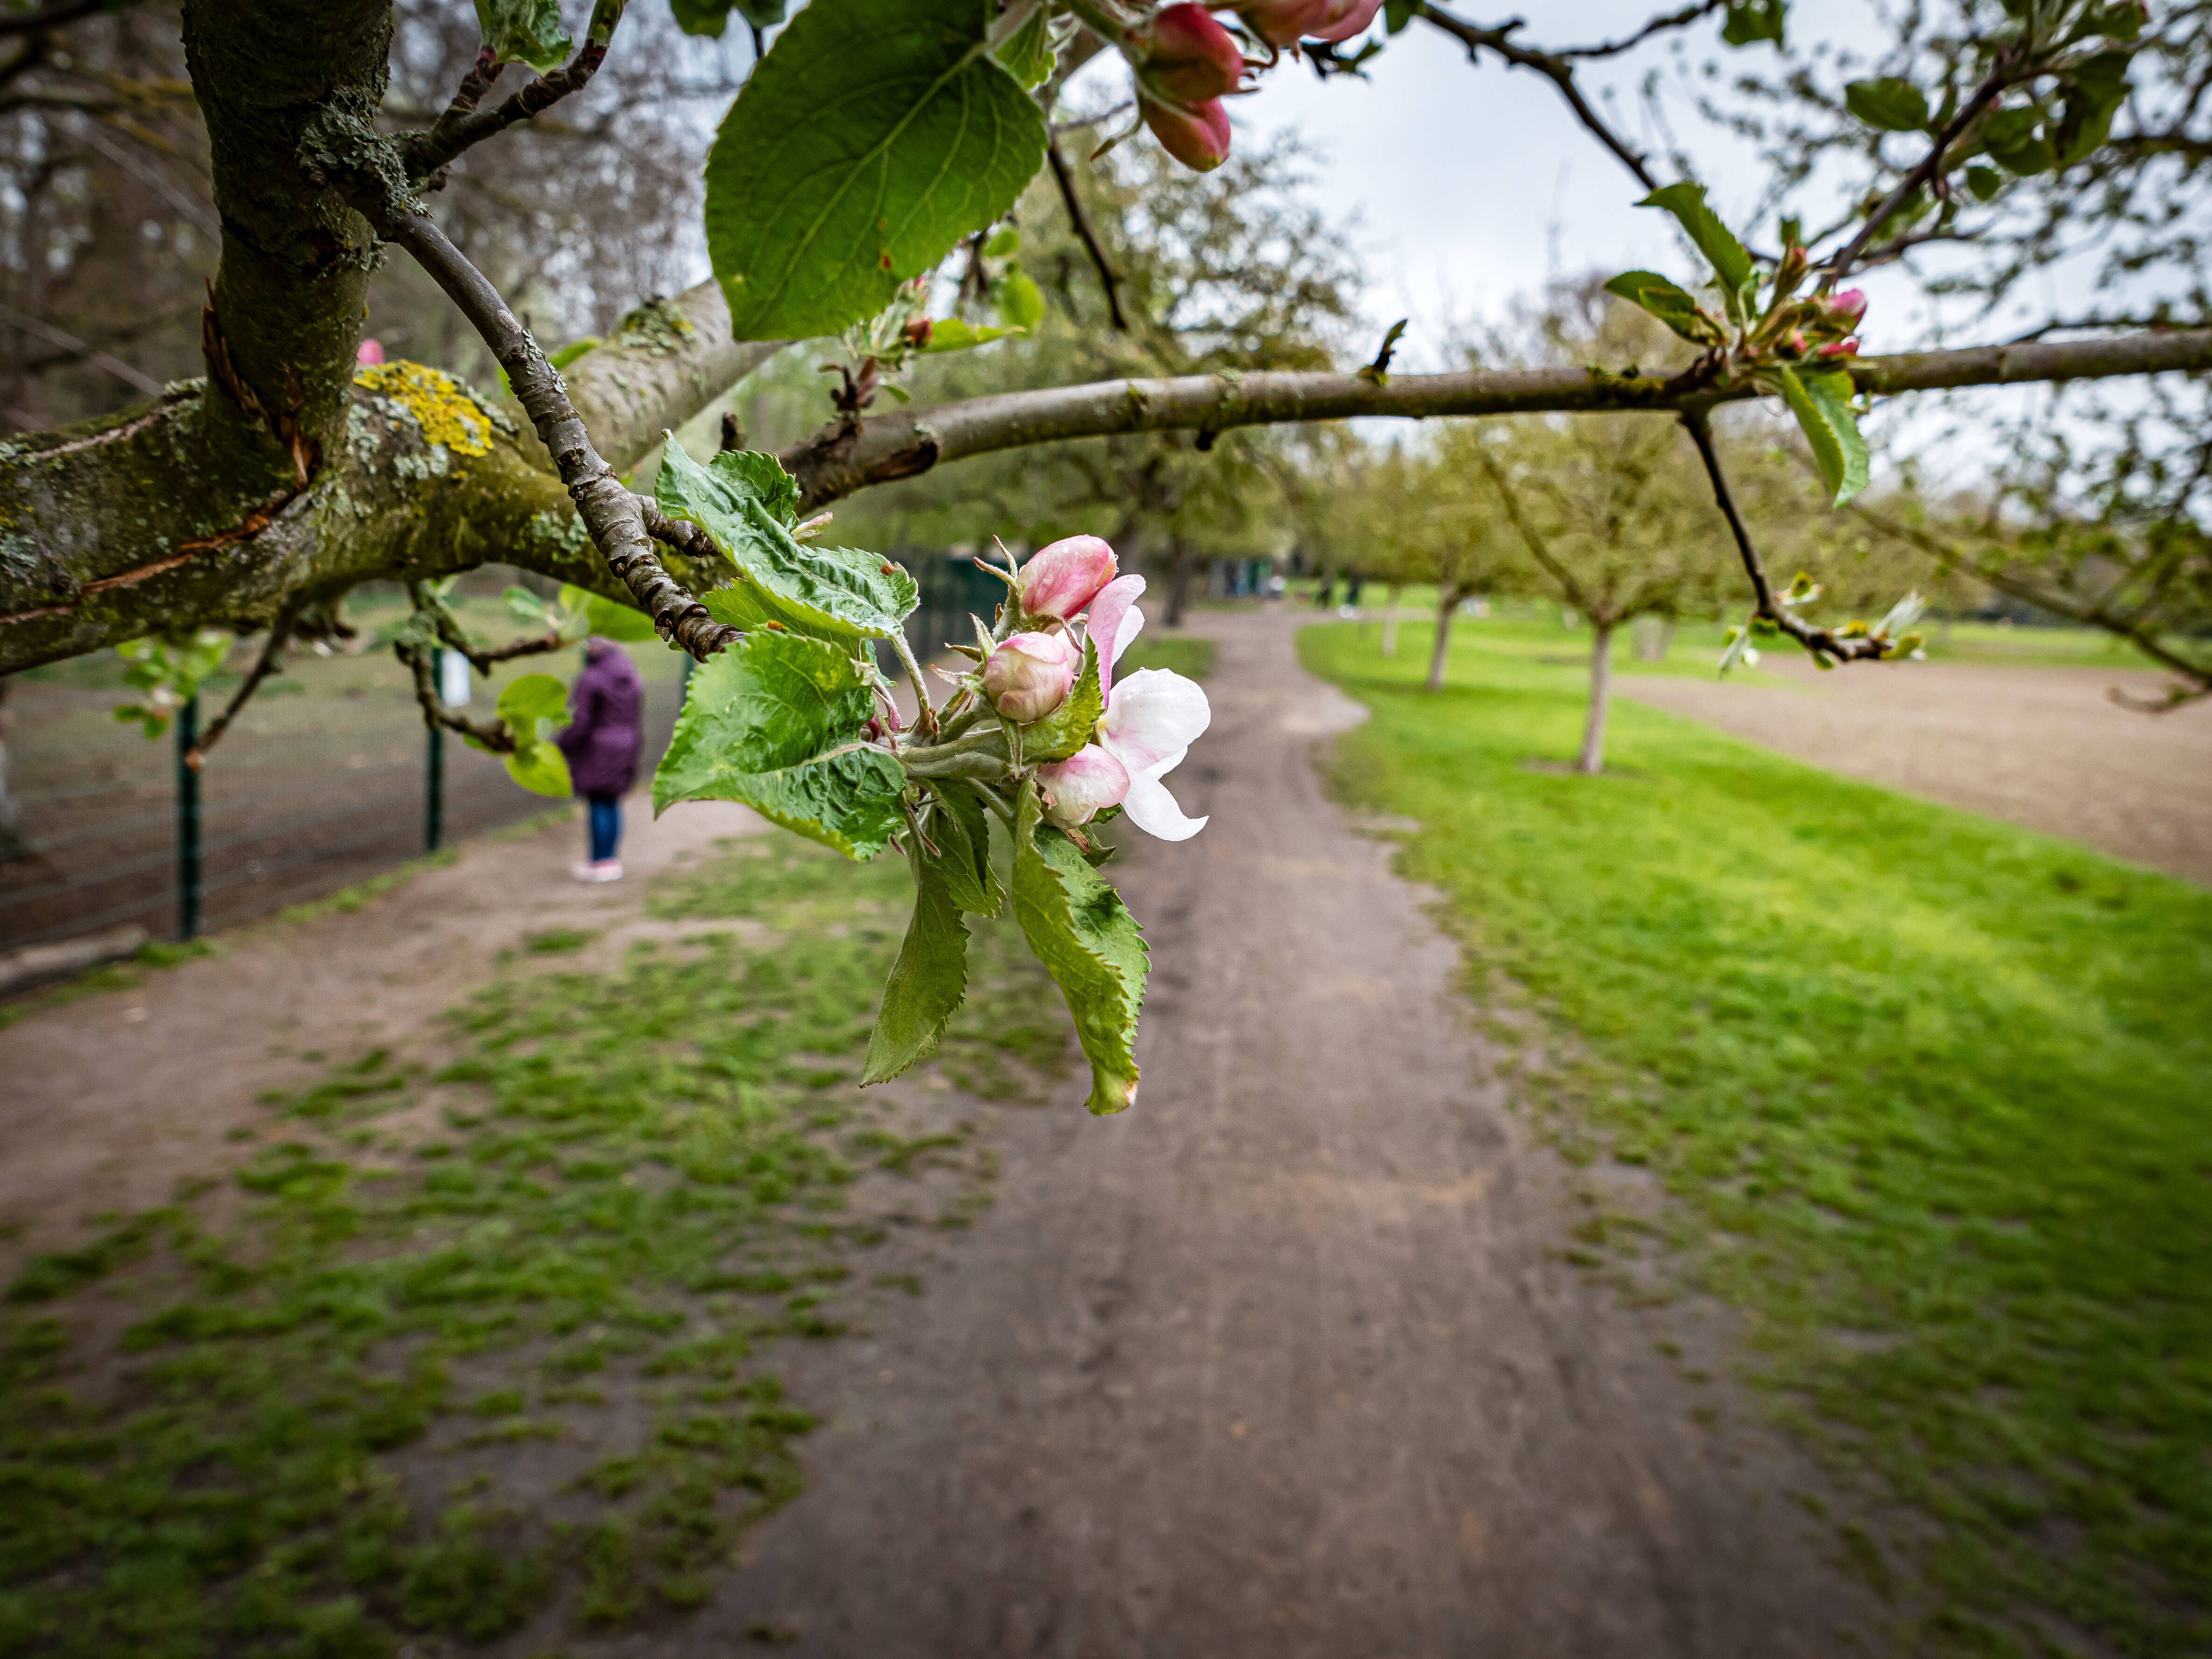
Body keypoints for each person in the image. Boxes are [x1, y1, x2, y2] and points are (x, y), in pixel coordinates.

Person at [555, 636, 645, 882]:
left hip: (598, 748)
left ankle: (601, 862)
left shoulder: (591, 678)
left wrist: (563, 744)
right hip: (627, 744)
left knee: (598, 803)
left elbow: (579, 721)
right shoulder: (632, 675)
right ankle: (609, 859)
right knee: (611, 803)